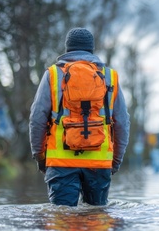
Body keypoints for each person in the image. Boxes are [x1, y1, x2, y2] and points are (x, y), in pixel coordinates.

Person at [29, 28, 130, 206]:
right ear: (91, 49)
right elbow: (122, 122)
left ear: (67, 48)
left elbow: (37, 118)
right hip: (99, 164)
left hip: (61, 163)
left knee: (62, 221)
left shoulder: (52, 75)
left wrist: (39, 156)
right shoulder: (110, 77)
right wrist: (116, 160)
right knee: (97, 220)